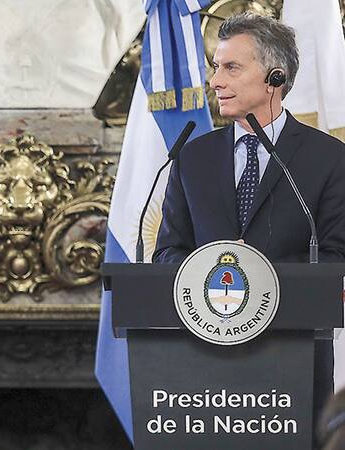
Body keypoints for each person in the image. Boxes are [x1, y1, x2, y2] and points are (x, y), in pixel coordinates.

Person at [153, 12, 345, 427]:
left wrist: (254, 274)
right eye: (215, 68)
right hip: (204, 368)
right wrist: (209, 272)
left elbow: (335, 257)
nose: (215, 81)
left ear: (275, 77)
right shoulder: (191, 157)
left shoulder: (330, 158)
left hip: (293, 365)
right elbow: (168, 251)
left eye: (231, 68)